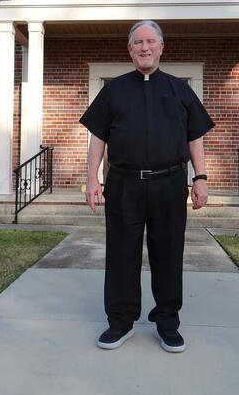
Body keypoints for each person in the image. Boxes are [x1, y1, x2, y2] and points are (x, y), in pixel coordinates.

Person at [79, 20, 215, 353]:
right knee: (121, 254)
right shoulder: (113, 90)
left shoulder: (180, 90)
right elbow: (98, 137)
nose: (144, 47)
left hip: (169, 184)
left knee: (168, 254)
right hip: (123, 185)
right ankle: (120, 322)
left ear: (161, 47)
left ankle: (167, 323)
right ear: (130, 50)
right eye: (138, 43)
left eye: (150, 41)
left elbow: (194, 136)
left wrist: (200, 177)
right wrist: (92, 178)